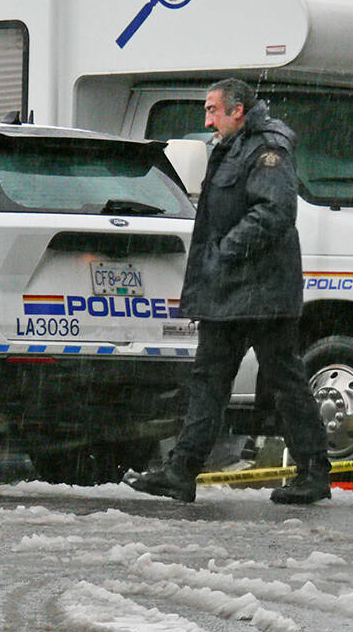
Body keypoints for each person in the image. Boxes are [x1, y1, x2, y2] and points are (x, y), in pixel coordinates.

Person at [126, 78, 331, 505]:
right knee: (209, 381)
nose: (207, 119)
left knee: (283, 380)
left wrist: (226, 252)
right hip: (231, 292)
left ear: (237, 110)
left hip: (262, 293)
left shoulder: (267, 148)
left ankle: (313, 473)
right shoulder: (233, 145)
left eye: (213, 110)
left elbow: (274, 211)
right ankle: (182, 472)